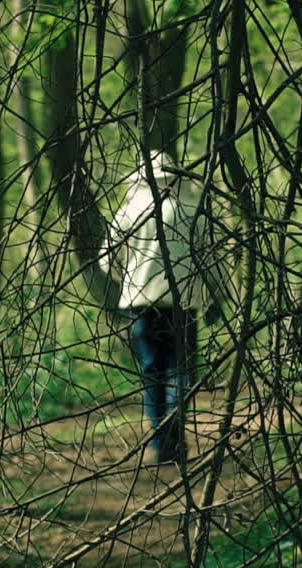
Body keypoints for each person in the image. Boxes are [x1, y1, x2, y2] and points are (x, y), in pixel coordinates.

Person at [100, 153, 205, 466]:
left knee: (153, 374)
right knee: (179, 371)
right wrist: (216, 297)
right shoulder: (190, 210)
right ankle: (174, 440)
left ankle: (160, 444)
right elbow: (211, 259)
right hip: (183, 305)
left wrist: (129, 281)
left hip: (141, 305)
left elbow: (106, 259)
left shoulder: (129, 211)